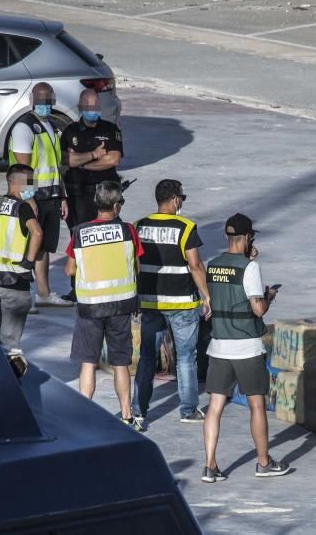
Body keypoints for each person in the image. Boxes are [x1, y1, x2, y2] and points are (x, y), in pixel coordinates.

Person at [201, 213, 289, 483]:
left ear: (229, 237)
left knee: (215, 407)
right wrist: (269, 296)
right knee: (256, 406)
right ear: (248, 236)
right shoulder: (249, 268)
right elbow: (257, 308)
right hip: (247, 348)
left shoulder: (213, 265)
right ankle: (263, 462)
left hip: (218, 347)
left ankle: (210, 466)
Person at [132, 180, 211, 430]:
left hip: (150, 302)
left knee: (147, 358)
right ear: (176, 200)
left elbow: (132, 263)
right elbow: (195, 265)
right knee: (186, 357)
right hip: (182, 304)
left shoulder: (139, 226)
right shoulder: (185, 227)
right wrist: (207, 295)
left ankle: (138, 410)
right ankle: (188, 410)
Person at [65, 181, 143, 428]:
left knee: (88, 362)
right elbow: (136, 267)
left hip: (90, 307)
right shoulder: (129, 231)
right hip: (121, 306)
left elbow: (69, 268)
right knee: (121, 362)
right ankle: (127, 415)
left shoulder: (79, 232)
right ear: (117, 206)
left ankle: (82, 414)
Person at [10, 82, 73, 309]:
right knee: (28, 245)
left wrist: (62, 196)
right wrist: (28, 198)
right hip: (33, 197)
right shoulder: (24, 128)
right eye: (40, 101)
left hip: (51, 195)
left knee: (44, 246)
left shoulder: (50, 127)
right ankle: (22, 295)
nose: (44, 105)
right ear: (31, 101)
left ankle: (43, 294)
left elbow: (56, 166)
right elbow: (21, 167)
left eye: (48, 101)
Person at [0, 164, 43, 378]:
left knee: (1, 338)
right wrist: (28, 262)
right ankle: (14, 385)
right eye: (31, 181)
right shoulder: (21, 207)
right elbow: (37, 233)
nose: (33, 186)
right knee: (12, 346)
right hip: (14, 281)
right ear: (17, 182)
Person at [60, 88, 124, 302]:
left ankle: (107, 282)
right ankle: (77, 287)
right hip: (77, 195)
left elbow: (113, 159)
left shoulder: (110, 129)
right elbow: (65, 161)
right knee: (78, 239)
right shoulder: (70, 132)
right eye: (89, 107)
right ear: (81, 108)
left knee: (108, 237)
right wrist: (94, 155)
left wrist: (82, 162)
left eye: (96, 106)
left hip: (104, 193)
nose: (93, 111)